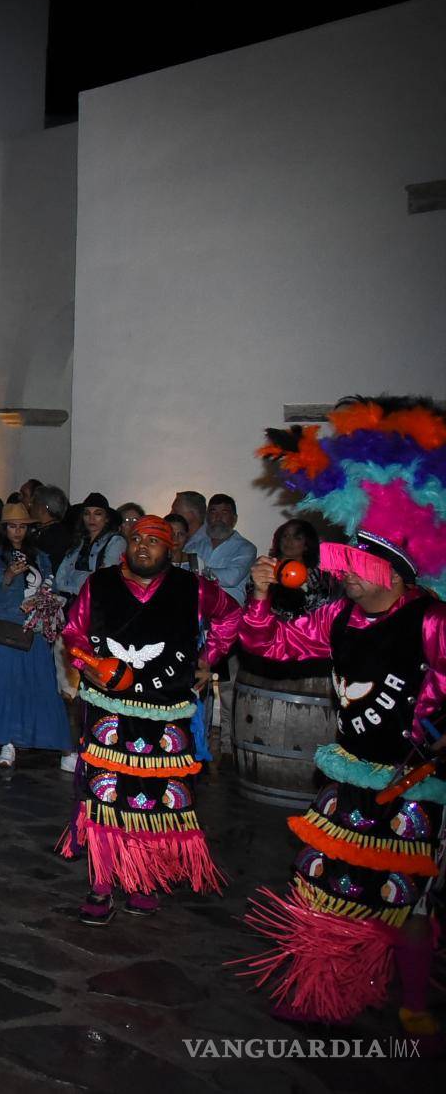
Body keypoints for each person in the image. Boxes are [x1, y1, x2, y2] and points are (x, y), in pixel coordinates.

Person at [221, 400, 446, 1034]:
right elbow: (270, 645)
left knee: (406, 900)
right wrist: (262, 596)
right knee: (326, 881)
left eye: (353, 568)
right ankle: (324, 984)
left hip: (415, 783)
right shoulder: (340, 617)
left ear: (391, 571)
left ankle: (412, 1002)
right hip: (347, 774)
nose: (340, 576)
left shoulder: (430, 621)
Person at [57, 514, 242, 924]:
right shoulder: (100, 583)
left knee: (157, 799)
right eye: (136, 538)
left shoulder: (192, 588)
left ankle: (144, 878)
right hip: (108, 706)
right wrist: (85, 664)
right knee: (104, 797)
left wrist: (210, 659)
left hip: (166, 709)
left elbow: (231, 616)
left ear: (170, 548)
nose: (143, 546)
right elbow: (73, 633)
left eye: (153, 541)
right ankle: (101, 884)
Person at [0, 503, 74, 767]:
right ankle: (7, 743)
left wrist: (43, 600)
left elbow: (52, 586)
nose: (17, 531)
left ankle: (60, 747)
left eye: (22, 526)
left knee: (42, 687)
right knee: (5, 688)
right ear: (3, 529)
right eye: (13, 526)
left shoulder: (41, 556)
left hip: (34, 630)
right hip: (7, 630)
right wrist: (9, 576)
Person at [183, 493, 257, 602]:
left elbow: (231, 578)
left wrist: (198, 571)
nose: (218, 517)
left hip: (229, 614)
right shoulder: (194, 546)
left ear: (234, 519)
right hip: (193, 609)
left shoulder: (246, 548)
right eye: (213, 512)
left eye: (224, 512)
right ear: (207, 518)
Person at [53, 492, 125, 601]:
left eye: (98, 514)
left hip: (97, 602)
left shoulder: (116, 541)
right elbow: (61, 575)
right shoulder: (79, 541)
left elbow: (104, 579)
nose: (91, 519)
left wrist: (74, 583)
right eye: (87, 513)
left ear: (107, 518)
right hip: (71, 600)